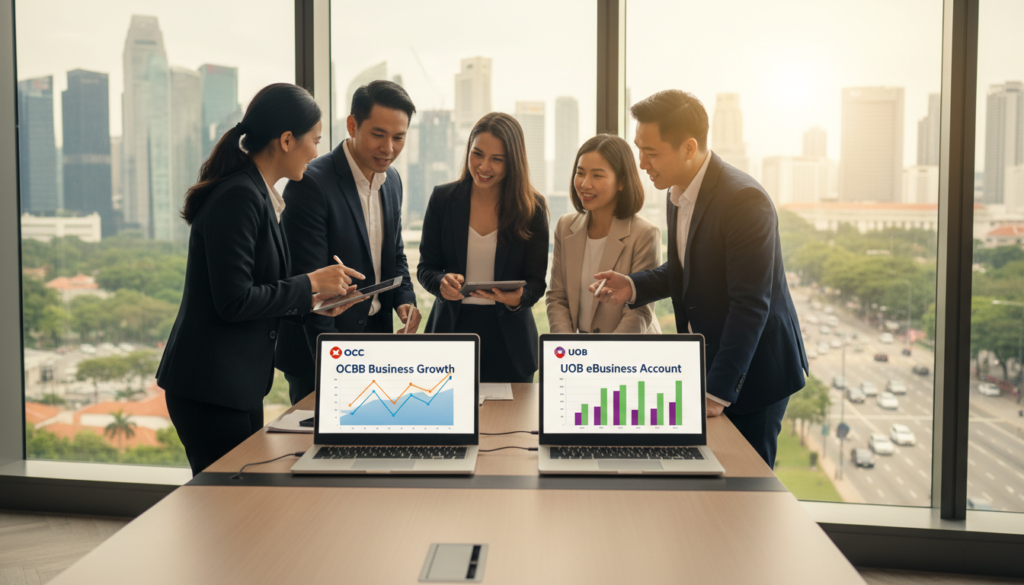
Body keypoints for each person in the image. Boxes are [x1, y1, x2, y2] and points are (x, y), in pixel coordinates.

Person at [590, 90, 807, 468]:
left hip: (751, 374)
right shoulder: (678, 192)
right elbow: (685, 271)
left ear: (689, 147)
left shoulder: (744, 201)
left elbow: (750, 304)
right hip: (710, 364)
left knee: (747, 491)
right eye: (639, 149)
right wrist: (634, 286)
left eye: (651, 152)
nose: (641, 163)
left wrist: (718, 391)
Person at [157, 83, 365, 476]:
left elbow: (263, 292)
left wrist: (323, 301)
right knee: (226, 506)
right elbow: (234, 301)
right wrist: (311, 282)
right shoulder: (238, 197)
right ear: (287, 140)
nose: (317, 152)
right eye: (315, 141)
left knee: (238, 500)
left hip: (234, 385)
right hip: (209, 388)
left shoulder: (259, 194)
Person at [275, 80, 420, 405]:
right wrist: (339, 363)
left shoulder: (392, 180)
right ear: (352, 125)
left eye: (399, 137)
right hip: (322, 350)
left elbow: (394, 255)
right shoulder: (310, 182)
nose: (389, 148)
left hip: (377, 343)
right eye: (378, 135)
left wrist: (404, 300)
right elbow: (308, 286)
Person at [418, 112, 549, 383]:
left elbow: (537, 282)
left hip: (510, 341)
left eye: (497, 159)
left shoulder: (532, 208)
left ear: (513, 162)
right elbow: (426, 268)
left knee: (510, 424)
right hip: (452, 333)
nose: (484, 166)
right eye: (477, 154)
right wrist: (441, 281)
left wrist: (519, 299)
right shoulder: (443, 199)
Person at [546, 134, 661, 334]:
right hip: (579, 354)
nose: (585, 184)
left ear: (621, 182)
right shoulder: (565, 226)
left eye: (597, 175)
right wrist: (567, 347)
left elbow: (639, 311)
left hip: (629, 352)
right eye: (580, 173)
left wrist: (604, 357)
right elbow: (557, 297)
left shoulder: (645, 234)